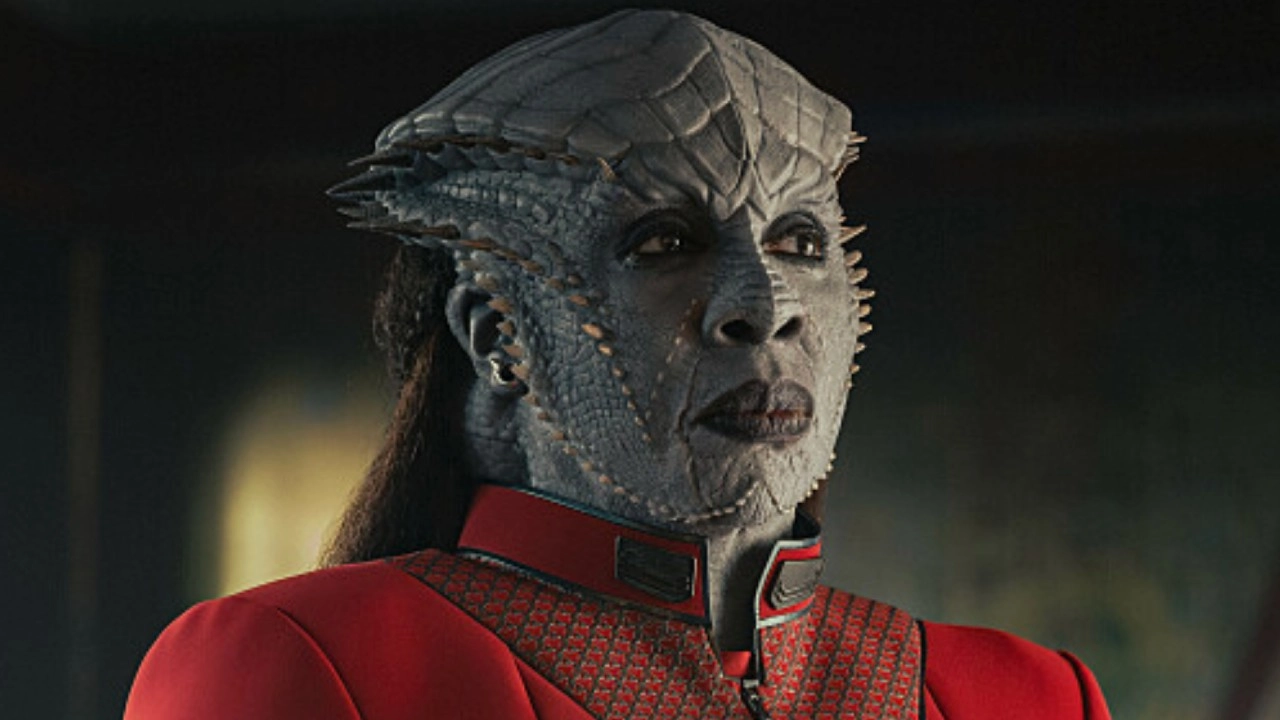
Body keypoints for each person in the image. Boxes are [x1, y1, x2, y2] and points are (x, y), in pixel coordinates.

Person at [125, 9, 1111, 719]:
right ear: (497, 332)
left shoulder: (1023, 699)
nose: (765, 304)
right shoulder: (297, 666)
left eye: (800, 241)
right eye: (663, 243)